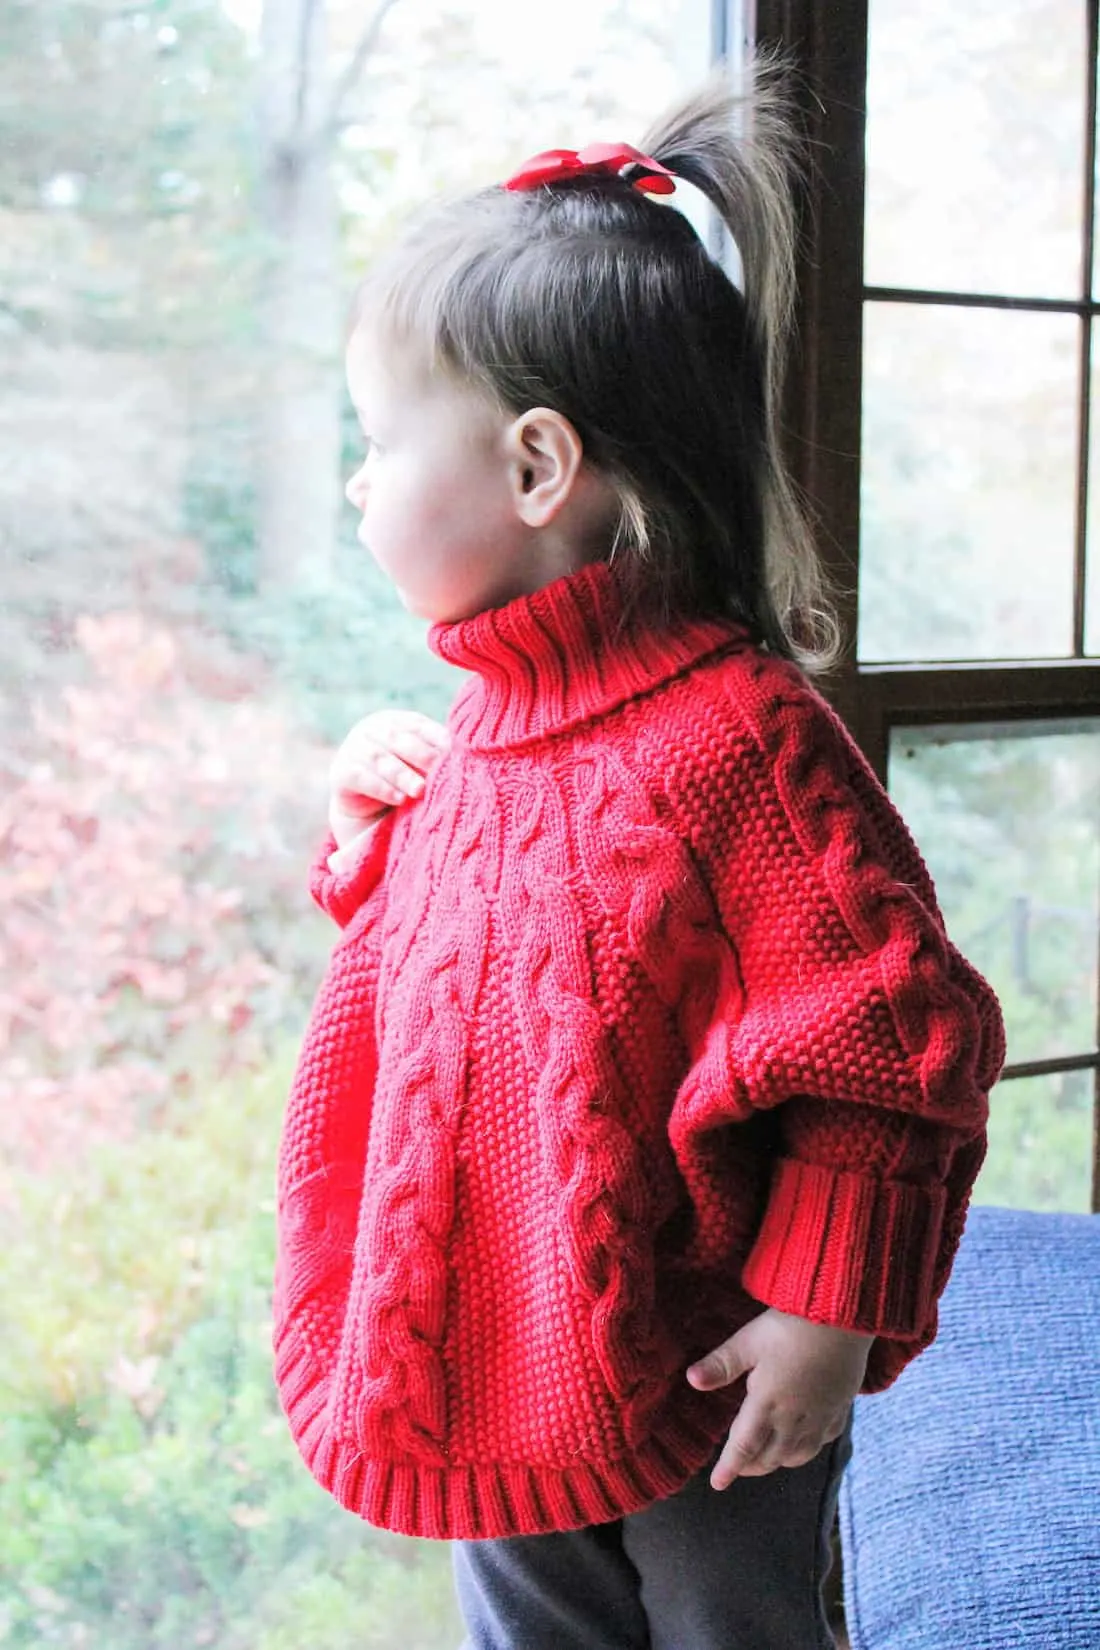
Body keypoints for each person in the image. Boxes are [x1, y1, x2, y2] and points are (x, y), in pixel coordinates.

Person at [273, 59, 1006, 1650]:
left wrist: (826, 1305)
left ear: (538, 468)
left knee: (733, 1631)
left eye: (381, 441)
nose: (356, 478)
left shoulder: (735, 740)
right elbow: (482, 991)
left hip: (704, 1360)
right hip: (498, 1345)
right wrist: (372, 841)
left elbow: (900, 1045)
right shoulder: (477, 720)